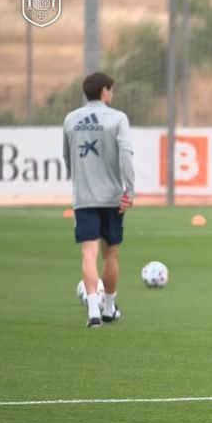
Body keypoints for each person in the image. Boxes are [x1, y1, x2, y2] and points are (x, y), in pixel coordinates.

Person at [63, 72, 134, 328]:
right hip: (112, 197)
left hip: (84, 197)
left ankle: (93, 311)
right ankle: (109, 307)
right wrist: (130, 190)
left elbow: (67, 158)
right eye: (111, 90)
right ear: (104, 91)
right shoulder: (118, 118)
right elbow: (126, 155)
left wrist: (81, 182)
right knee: (111, 254)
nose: (112, 94)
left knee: (89, 253)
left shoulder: (71, 119)